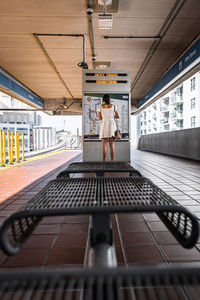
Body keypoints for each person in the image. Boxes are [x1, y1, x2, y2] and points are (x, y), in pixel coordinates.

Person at [97, 94, 120, 161]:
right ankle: (112, 161)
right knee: (112, 144)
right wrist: (111, 117)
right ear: (109, 99)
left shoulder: (99, 107)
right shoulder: (114, 106)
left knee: (104, 145)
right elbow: (118, 116)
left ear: (103, 100)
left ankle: (104, 162)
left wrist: (104, 116)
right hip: (112, 125)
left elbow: (99, 118)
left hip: (104, 124)